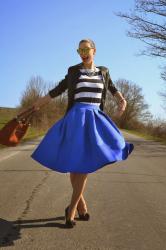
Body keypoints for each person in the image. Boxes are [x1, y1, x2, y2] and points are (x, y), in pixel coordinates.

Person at [30, 38, 134, 228]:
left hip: (94, 119)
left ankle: (71, 208)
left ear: (94, 50)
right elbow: (58, 90)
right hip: (76, 118)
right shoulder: (73, 71)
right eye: (80, 50)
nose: (83, 53)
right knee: (75, 164)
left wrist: (122, 101)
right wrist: (38, 103)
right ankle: (79, 206)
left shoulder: (103, 71)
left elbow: (112, 89)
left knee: (84, 164)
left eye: (86, 49)